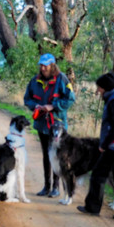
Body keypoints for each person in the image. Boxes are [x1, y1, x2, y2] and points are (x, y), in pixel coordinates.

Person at [77, 71, 114, 220]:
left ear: (104, 88)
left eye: (99, 87)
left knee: (99, 174)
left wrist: (104, 144)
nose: (97, 90)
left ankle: (93, 207)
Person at [24, 53, 76, 197]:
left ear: (52, 65)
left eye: (45, 65)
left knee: (57, 155)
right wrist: (36, 106)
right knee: (47, 155)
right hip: (42, 124)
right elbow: (27, 99)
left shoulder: (62, 79)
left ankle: (56, 187)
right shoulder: (34, 81)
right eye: (41, 65)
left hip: (57, 125)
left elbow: (71, 99)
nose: (43, 68)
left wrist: (53, 106)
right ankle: (46, 186)